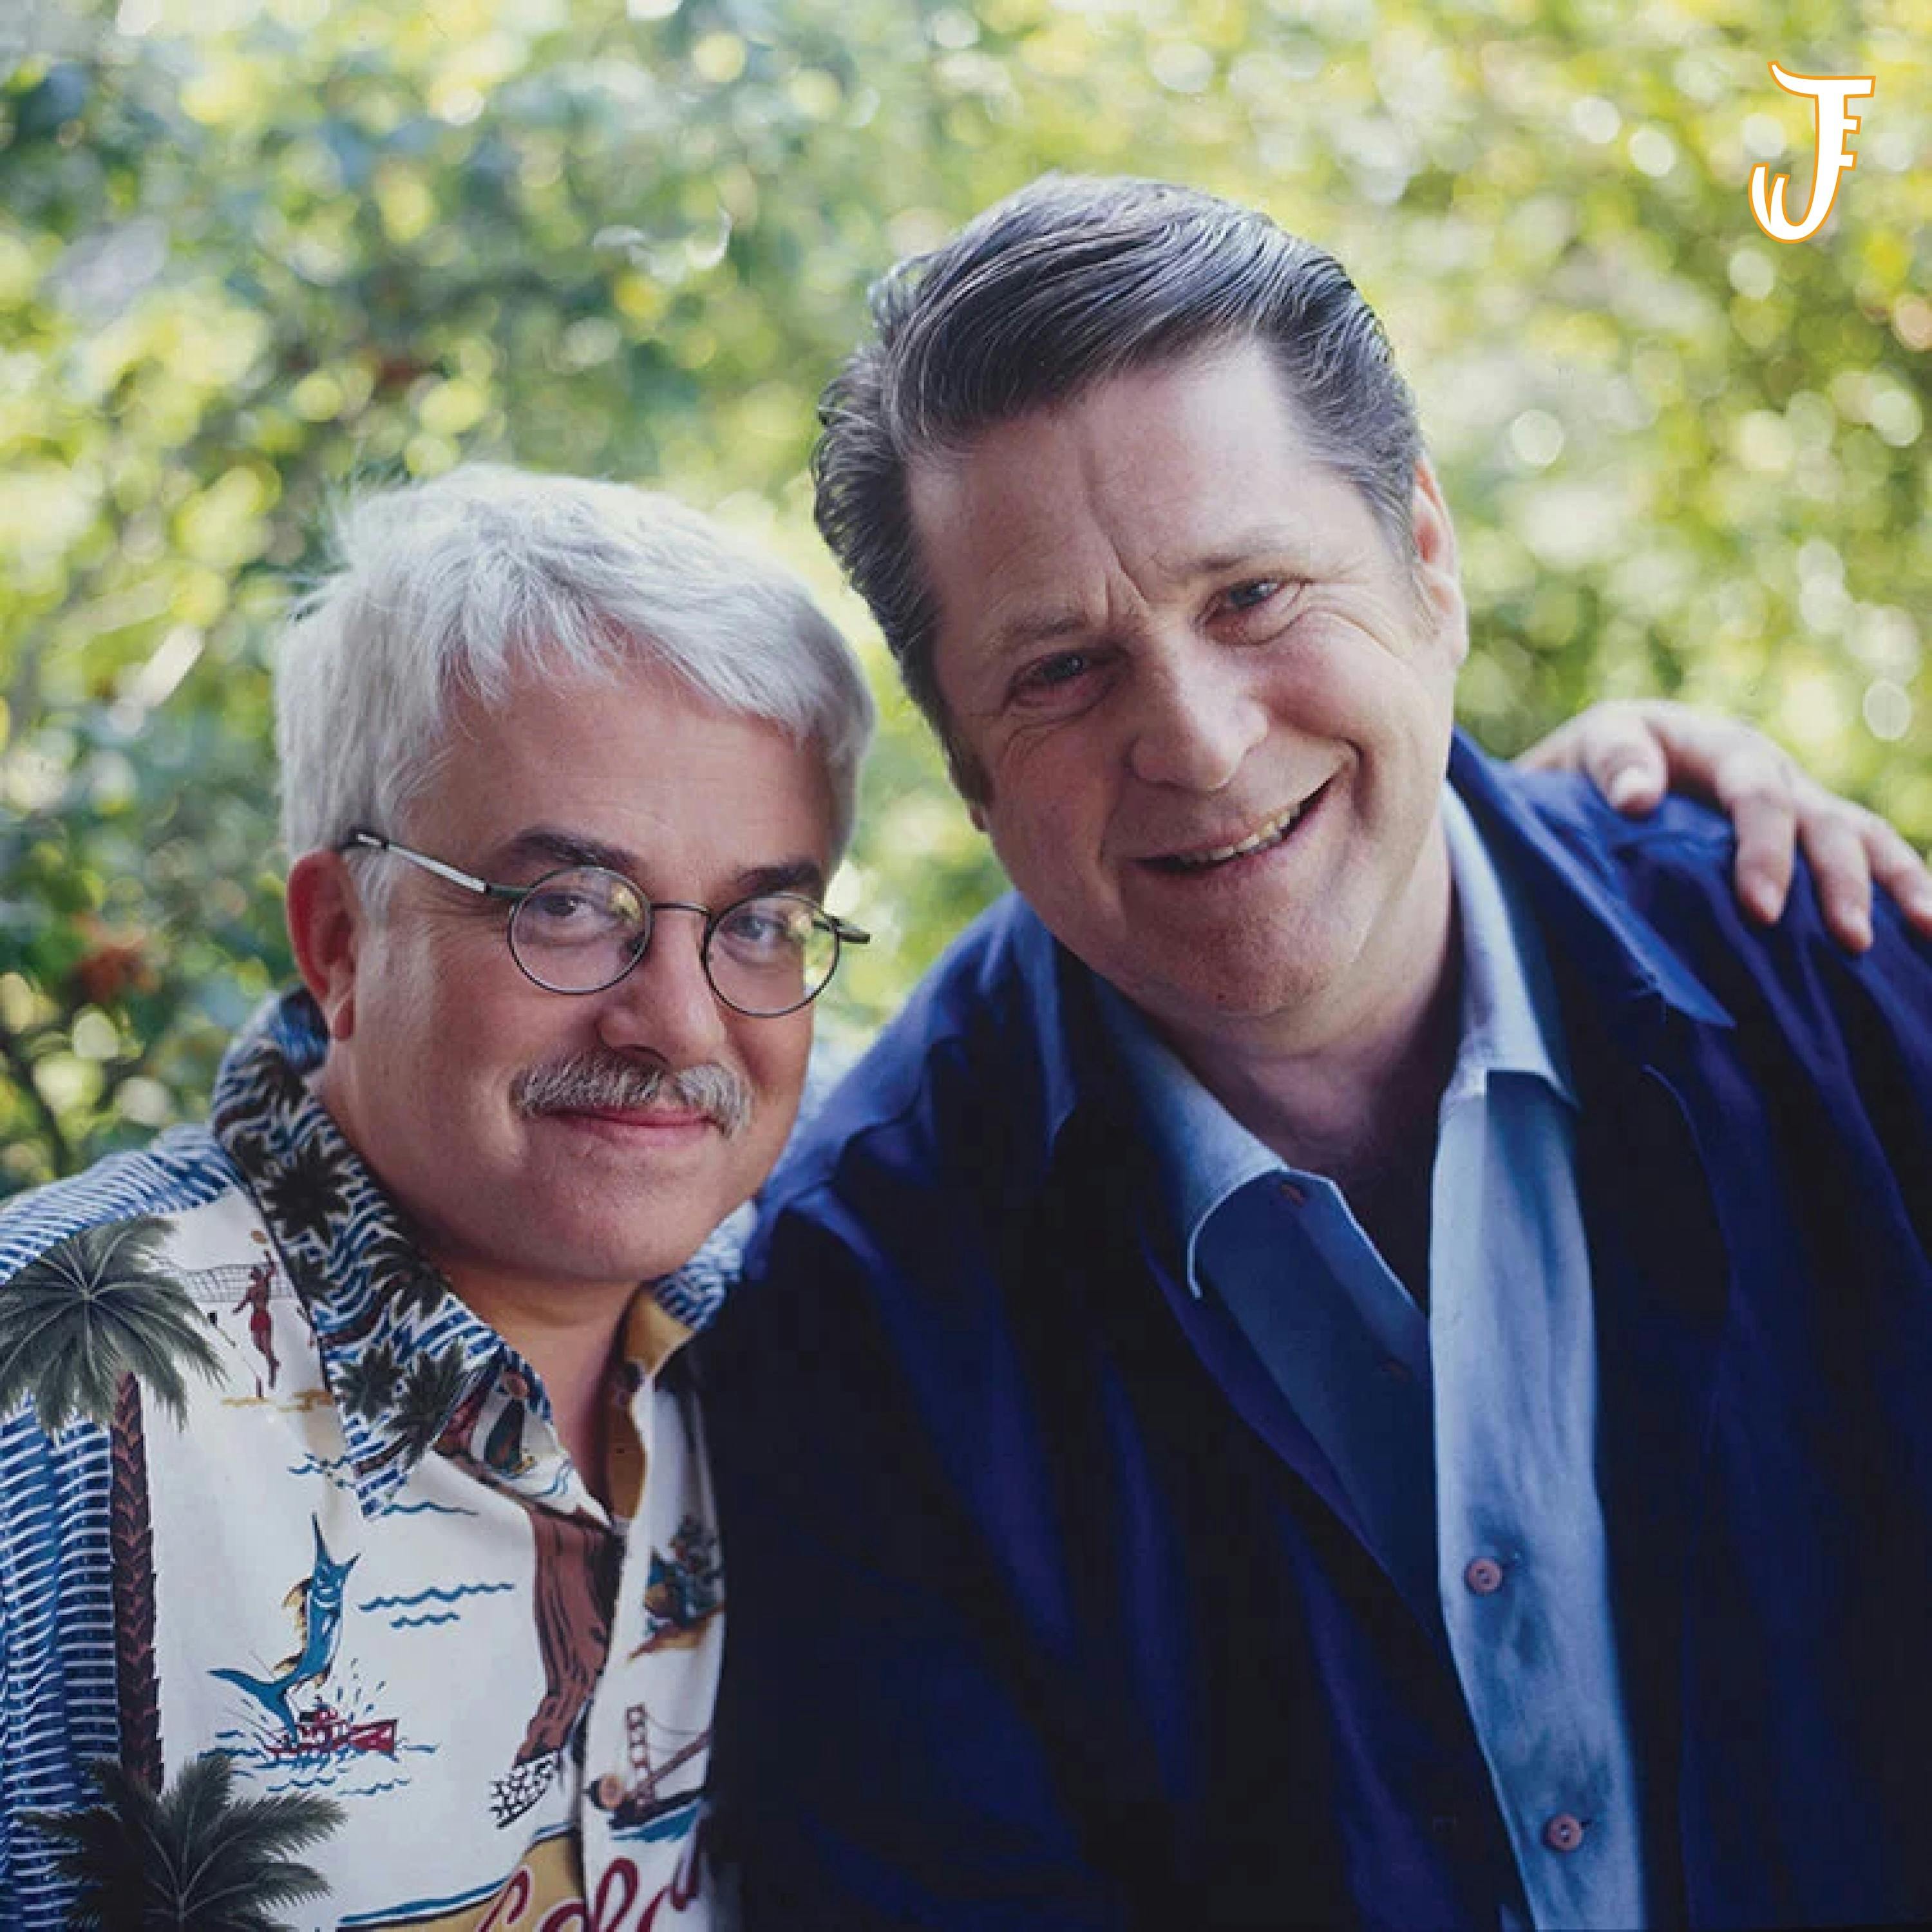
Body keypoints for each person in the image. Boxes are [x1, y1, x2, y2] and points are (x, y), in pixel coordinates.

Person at [702, 175, 1932, 1929]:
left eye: (1256, 593)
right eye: (1061, 672)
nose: (1198, 743)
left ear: (1427, 558)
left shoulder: (1854, 993)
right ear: (966, 768)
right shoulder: (865, 1309)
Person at [0, 465, 874, 1928]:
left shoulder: (821, 1333)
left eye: (761, 923)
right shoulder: (50, 1402)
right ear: (340, 939)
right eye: (568, 905)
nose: (680, 1022)